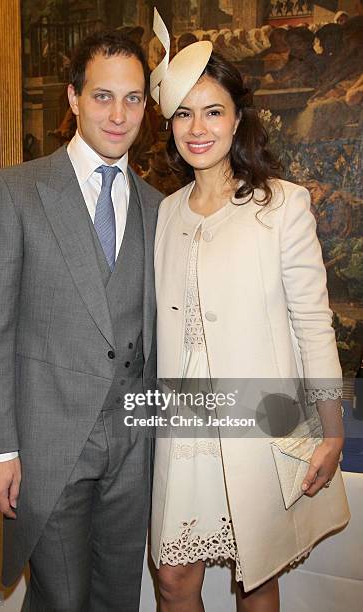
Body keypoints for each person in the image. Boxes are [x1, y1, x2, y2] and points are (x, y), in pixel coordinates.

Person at [149, 11, 350, 612]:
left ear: (237, 118)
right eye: (183, 113)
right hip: (181, 420)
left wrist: (331, 427)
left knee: (256, 574)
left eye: (212, 110)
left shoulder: (282, 205)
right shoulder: (166, 213)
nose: (198, 127)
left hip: (263, 416)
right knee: (173, 579)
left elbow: (313, 320)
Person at [0, 31, 162, 611]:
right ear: (73, 98)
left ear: (147, 106)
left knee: (118, 596)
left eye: (133, 99)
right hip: (47, 445)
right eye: (103, 96)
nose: (118, 114)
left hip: (133, 449)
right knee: (61, 599)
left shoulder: (159, 206)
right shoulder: (14, 191)